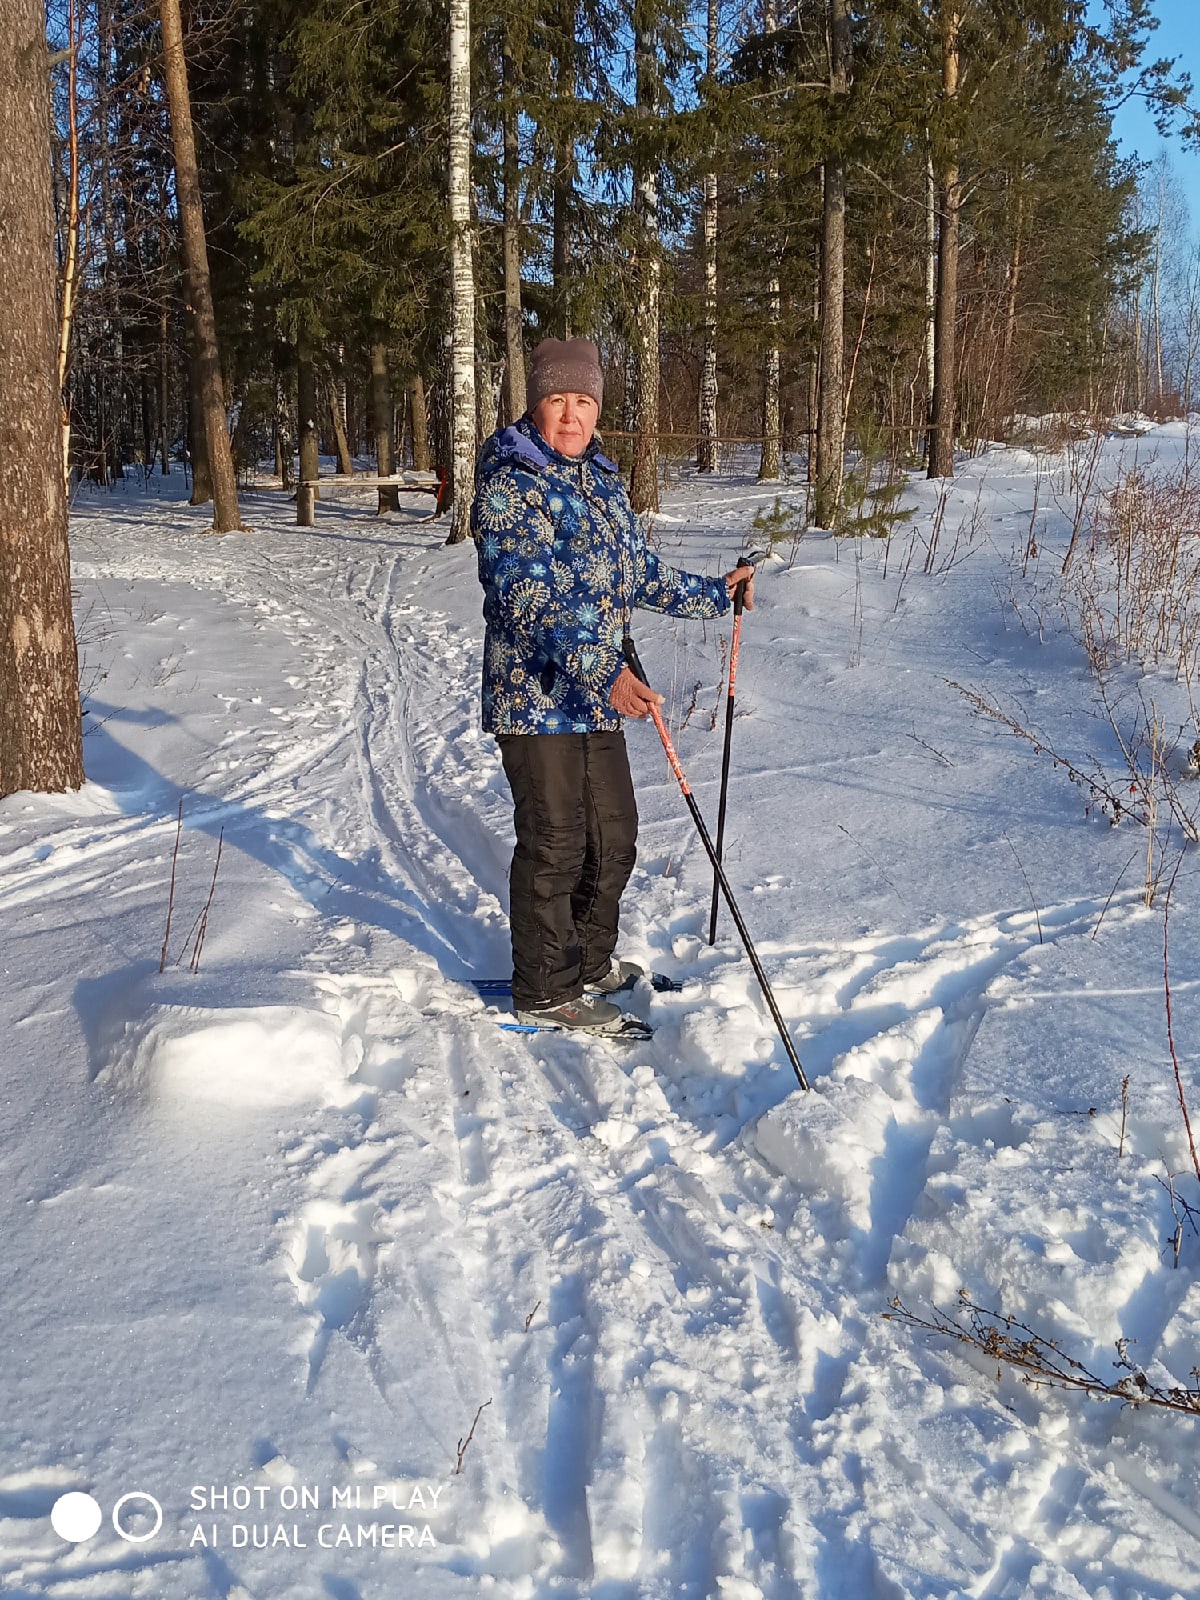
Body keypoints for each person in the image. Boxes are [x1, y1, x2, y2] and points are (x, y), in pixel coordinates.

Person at [471, 336, 754, 1033]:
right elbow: (525, 599)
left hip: (597, 690)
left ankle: (589, 963)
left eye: (585, 402)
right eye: (558, 400)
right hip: (536, 697)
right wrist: (605, 670)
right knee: (556, 843)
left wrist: (717, 593)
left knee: (614, 838)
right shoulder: (509, 482)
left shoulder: (601, 479)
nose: (571, 416)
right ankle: (544, 985)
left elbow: (637, 574)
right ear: (536, 403)